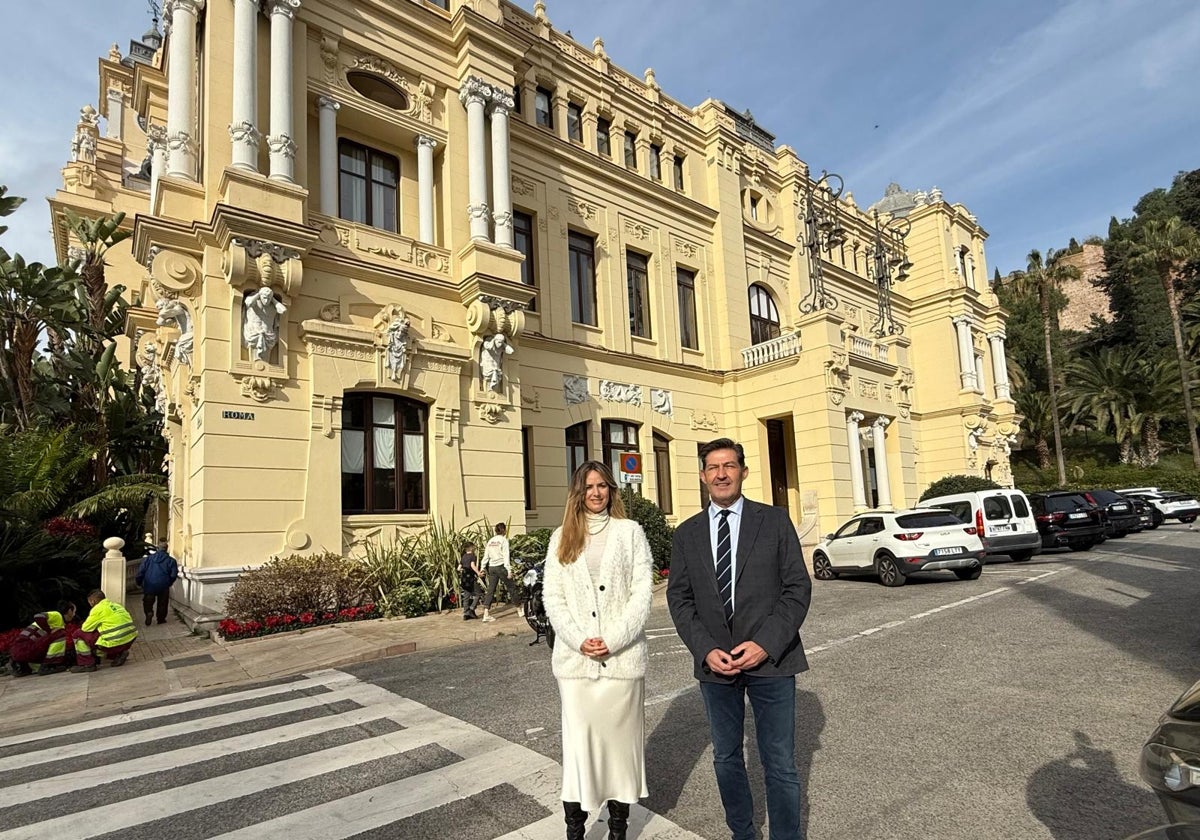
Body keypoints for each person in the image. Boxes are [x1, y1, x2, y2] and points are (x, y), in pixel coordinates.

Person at [667, 438, 812, 840]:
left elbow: (796, 589)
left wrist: (765, 643)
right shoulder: (687, 534)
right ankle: (742, 833)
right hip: (717, 664)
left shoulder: (775, 521)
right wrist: (705, 648)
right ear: (702, 476)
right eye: (713, 467)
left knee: (780, 761)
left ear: (743, 471)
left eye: (729, 465)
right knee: (727, 758)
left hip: (773, 660)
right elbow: (679, 598)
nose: (721, 474)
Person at [542, 460, 653, 840]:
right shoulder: (561, 537)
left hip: (621, 665)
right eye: (589, 486)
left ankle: (618, 829)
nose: (596, 492)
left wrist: (615, 637)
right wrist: (577, 638)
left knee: (621, 754)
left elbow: (642, 593)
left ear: (612, 490)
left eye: (603, 485)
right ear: (578, 492)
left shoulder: (631, 533)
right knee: (578, 752)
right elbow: (552, 598)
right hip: (577, 668)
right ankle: (575, 830)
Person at [72, 589, 139, 672]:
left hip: (115, 643)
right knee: (105, 636)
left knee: (78, 634)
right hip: (129, 639)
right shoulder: (116, 605)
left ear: (92, 601)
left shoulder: (97, 609)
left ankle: (87, 664)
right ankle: (120, 653)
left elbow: (85, 628)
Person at [8, 602, 76, 677]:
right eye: (74, 612)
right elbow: (38, 616)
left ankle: (22, 666)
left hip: (19, 651)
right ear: (69, 611)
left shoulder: (54, 621)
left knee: (53, 637)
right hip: (25, 649)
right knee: (60, 634)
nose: (74, 615)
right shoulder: (57, 615)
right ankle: (49, 666)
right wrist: (49, 631)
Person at [480, 523, 522, 622]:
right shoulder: (504, 541)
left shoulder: (490, 541)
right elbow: (506, 556)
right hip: (501, 566)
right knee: (511, 587)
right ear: (504, 530)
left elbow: (486, 556)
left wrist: (482, 568)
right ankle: (519, 609)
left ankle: (486, 613)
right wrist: (509, 570)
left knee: (491, 589)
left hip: (492, 568)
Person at [136, 540, 179, 626]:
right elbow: (174, 574)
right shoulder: (171, 561)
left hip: (149, 584)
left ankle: (149, 612)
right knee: (162, 602)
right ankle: (161, 619)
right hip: (164, 584)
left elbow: (141, 572)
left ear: (157, 548)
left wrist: (139, 582)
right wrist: (169, 582)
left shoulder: (148, 559)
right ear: (166, 549)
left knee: (148, 601)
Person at [459, 543, 483, 621]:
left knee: (466, 595)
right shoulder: (472, 556)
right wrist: (478, 573)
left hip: (464, 578)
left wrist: (464, 570)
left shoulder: (463, 556)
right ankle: (472, 609)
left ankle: (466, 613)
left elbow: (458, 568)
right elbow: (472, 565)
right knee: (478, 593)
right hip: (471, 578)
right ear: (471, 548)